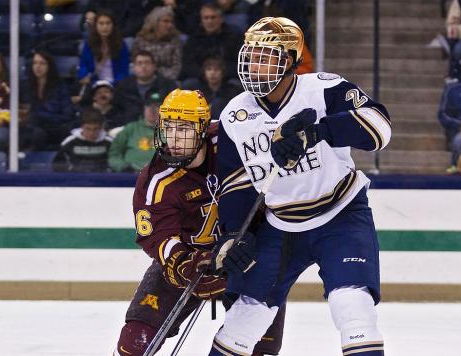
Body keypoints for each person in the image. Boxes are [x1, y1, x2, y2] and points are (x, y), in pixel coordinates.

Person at [208, 17, 391, 356]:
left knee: (353, 306)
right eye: (251, 55)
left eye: (267, 56)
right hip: (279, 226)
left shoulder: (323, 88)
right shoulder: (235, 114)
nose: (255, 64)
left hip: (341, 215)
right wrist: (235, 234)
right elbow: (235, 184)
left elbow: (379, 128)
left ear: (291, 60)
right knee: (244, 318)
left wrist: (318, 132)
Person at [113, 88, 284, 356]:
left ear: (203, 129)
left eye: (184, 128)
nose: (174, 138)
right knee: (135, 337)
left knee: (261, 344)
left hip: (245, 254)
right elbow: (157, 235)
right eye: (168, 127)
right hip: (190, 257)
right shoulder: (156, 180)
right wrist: (183, 263)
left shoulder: (233, 142)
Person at [22, 50, 76, 150]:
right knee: (36, 132)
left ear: (49, 66)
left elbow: (68, 114)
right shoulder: (25, 86)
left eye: (42, 63)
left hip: (55, 127)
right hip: (33, 128)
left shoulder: (60, 86)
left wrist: (42, 117)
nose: (38, 67)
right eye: (35, 63)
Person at [180, 2, 241, 83]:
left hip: (227, 79)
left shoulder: (234, 37)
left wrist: (221, 74)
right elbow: (188, 64)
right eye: (206, 18)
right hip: (201, 79)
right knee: (188, 84)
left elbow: (239, 63)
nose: (209, 21)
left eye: (213, 17)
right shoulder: (193, 39)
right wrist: (204, 75)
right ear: (201, 21)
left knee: (236, 84)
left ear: (221, 19)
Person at [112, 50, 177, 126]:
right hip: (129, 128)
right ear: (134, 68)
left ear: (154, 66)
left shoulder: (167, 85)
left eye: (147, 63)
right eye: (139, 63)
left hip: (160, 127)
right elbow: (116, 110)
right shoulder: (123, 86)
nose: (143, 66)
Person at [107, 91, 160, 172]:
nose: (152, 110)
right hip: (131, 175)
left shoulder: (170, 130)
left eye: (157, 106)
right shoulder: (131, 128)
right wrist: (122, 167)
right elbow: (114, 154)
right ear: (144, 108)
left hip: (161, 175)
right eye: (149, 106)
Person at [77, 10, 130, 86]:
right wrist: (84, 75)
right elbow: (83, 64)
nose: (105, 27)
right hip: (94, 84)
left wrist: (113, 84)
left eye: (108, 23)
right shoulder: (89, 43)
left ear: (113, 25)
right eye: (101, 23)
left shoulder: (121, 44)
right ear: (96, 25)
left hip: (116, 85)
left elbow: (124, 70)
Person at [52, 107, 112, 172]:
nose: (91, 133)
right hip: (76, 179)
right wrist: (71, 169)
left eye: (95, 129)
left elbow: (114, 162)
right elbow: (57, 164)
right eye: (88, 129)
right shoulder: (69, 142)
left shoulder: (109, 142)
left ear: (101, 128)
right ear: (82, 127)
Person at [132, 6, 183, 81]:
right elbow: (136, 63)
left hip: (168, 80)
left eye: (171, 22)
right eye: (165, 21)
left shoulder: (175, 40)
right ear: (154, 22)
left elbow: (176, 66)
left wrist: (162, 79)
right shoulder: (141, 40)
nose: (170, 25)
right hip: (144, 77)